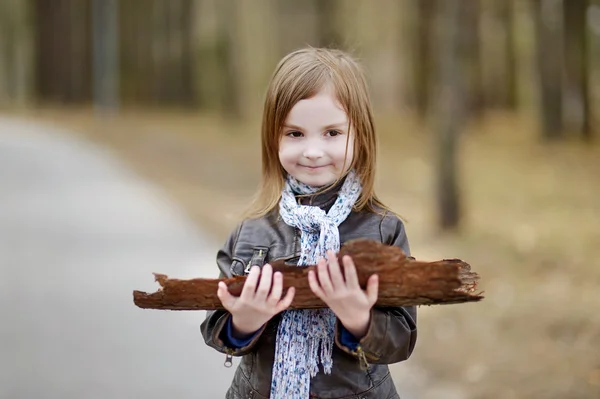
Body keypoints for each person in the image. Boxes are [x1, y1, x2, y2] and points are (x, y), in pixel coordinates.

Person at [200, 47, 417, 399]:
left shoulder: (383, 230)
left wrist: (359, 320)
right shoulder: (251, 230)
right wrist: (243, 322)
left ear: (359, 135)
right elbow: (215, 326)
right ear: (274, 138)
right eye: (295, 134)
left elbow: (402, 338)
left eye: (332, 133)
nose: (312, 151)